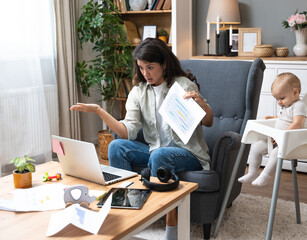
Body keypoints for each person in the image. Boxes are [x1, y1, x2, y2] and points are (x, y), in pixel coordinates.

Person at [70, 38, 213, 240]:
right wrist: (99, 111)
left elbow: (208, 122)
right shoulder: (138, 91)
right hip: (155, 150)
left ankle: (166, 221)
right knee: (117, 147)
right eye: (141, 68)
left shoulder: (183, 85)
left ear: (164, 64)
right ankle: (128, 207)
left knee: (159, 155)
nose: (146, 73)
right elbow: (127, 132)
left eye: (151, 67)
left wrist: (202, 106)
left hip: (188, 153)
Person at [238, 72, 307, 187]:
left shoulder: (299, 106)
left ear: (295, 92)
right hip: (276, 139)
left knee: (276, 153)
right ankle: (252, 172)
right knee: (256, 147)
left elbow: (297, 123)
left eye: (282, 98)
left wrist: (281, 135)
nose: (279, 102)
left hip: (291, 141)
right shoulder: (286, 106)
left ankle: (265, 175)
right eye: (277, 99)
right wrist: (273, 118)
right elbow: (284, 119)